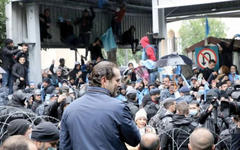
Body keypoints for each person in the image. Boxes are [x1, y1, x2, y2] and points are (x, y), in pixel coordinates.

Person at [60, 61, 140, 150]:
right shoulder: (118, 108)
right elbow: (135, 140)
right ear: (104, 80)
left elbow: (64, 146)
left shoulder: (70, 109)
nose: (119, 84)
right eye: (117, 80)